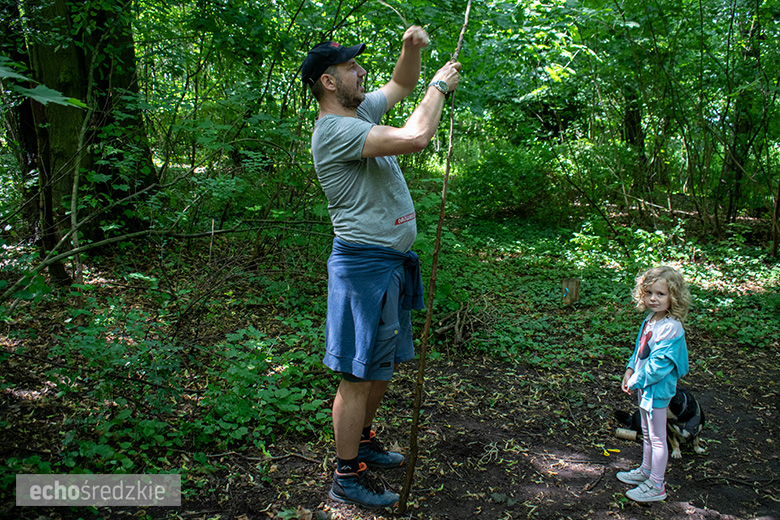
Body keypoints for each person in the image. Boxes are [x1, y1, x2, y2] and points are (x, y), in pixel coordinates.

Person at [300, 27, 462, 509]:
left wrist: (410, 51)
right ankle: (345, 476)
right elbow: (415, 136)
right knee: (357, 373)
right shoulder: (335, 130)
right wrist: (440, 88)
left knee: (381, 366)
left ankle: (364, 440)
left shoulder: (359, 110)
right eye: (352, 67)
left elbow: (400, 87)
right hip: (362, 267)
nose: (361, 72)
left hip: (389, 263)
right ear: (329, 82)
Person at [617, 265, 692, 502]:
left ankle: (657, 485)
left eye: (660, 294)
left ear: (674, 296)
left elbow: (659, 365)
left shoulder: (671, 328)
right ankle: (646, 471)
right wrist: (630, 371)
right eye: (649, 293)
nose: (653, 299)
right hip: (643, 385)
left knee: (658, 438)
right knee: (648, 434)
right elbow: (640, 350)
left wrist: (636, 380)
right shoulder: (652, 320)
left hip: (657, 389)